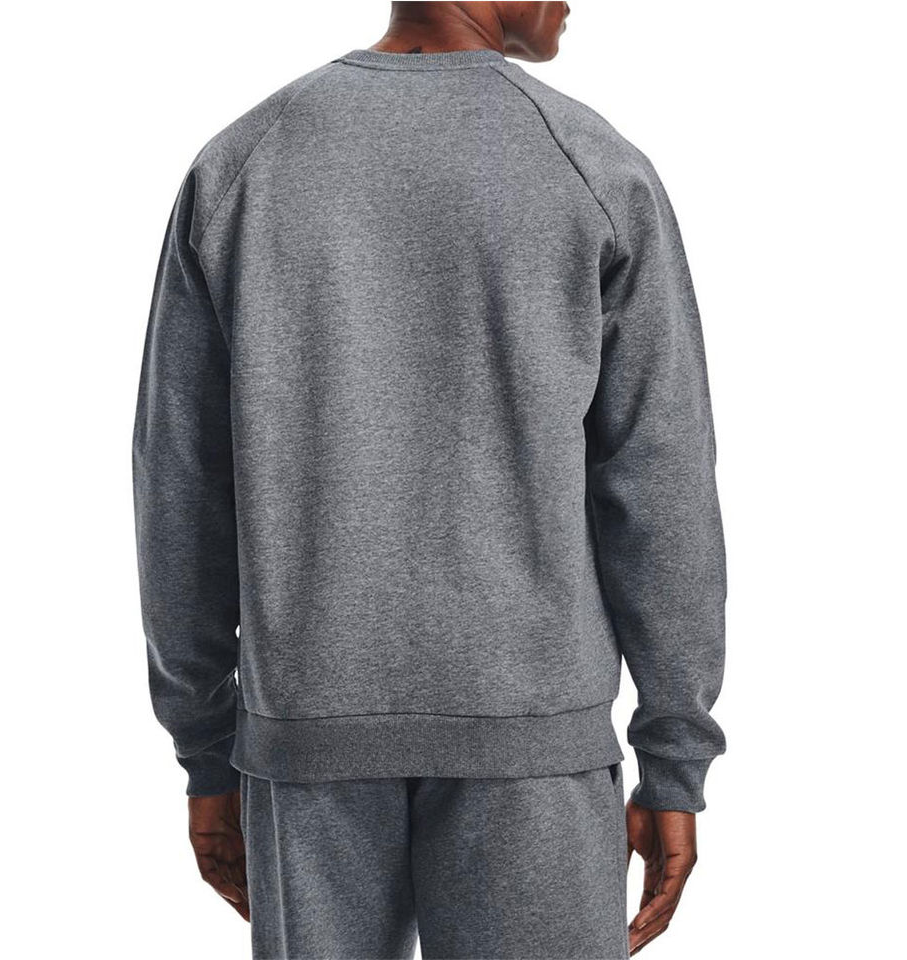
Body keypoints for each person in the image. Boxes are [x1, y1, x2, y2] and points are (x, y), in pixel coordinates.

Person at [132, 2, 726, 957]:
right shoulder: (594, 168)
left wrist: (206, 747)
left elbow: (179, 491)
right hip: (533, 751)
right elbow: (663, 491)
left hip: (306, 747)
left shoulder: (243, 165)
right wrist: (675, 756)